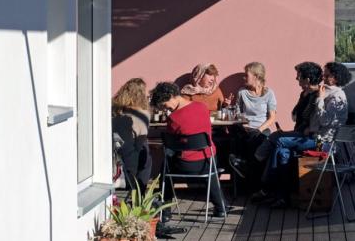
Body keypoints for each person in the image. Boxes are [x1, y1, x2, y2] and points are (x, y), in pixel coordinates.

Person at [253, 62, 328, 207]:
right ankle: (281, 198)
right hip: (299, 134)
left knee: (276, 139)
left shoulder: (319, 95)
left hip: (312, 138)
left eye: (299, 76)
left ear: (307, 79)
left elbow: (317, 120)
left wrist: (306, 128)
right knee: (281, 152)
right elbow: (295, 116)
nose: (296, 79)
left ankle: (263, 179)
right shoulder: (304, 94)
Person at [151, 81, 229, 219]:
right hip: (207, 162)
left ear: (171, 96)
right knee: (210, 163)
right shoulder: (202, 107)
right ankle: (221, 207)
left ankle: (165, 211)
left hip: (185, 166)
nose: (165, 109)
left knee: (166, 166)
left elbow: (172, 145)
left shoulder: (173, 118)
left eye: (164, 105)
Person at [228, 62, 277, 180]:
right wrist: (229, 107)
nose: (244, 78)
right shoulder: (242, 92)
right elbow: (238, 114)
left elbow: (272, 117)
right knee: (239, 136)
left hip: (261, 128)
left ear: (256, 76)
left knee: (259, 138)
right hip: (245, 127)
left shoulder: (269, 93)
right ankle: (247, 175)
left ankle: (246, 170)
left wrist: (259, 129)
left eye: (246, 75)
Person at [111, 78, 152, 193]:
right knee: (146, 153)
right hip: (127, 169)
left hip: (111, 160)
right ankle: (140, 194)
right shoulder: (141, 115)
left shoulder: (113, 110)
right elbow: (139, 145)